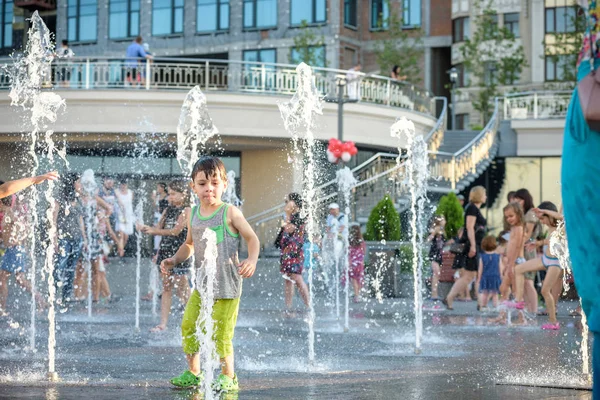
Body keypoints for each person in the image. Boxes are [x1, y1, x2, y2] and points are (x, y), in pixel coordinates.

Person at [161, 156, 259, 392]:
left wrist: (252, 259)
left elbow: (252, 238)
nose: (209, 189)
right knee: (189, 325)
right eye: (203, 183)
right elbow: (190, 244)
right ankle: (194, 372)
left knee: (221, 333)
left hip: (227, 286)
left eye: (215, 183)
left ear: (225, 184)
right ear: (193, 186)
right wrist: (175, 259)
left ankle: (229, 376)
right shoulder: (192, 213)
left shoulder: (229, 212)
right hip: (202, 285)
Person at [139, 181, 192, 332]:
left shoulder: (187, 210)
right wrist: (145, 228)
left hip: (180, 253)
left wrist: (154, 232)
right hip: (165, 251)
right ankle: (163, 324)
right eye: (169, 193)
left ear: (184, 194)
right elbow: (158, 228)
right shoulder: (168, 210)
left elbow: (176, 231)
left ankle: (195, 317)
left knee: (182, 287)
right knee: (167, 287)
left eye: (174, 194)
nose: (170, 197)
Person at [511, 202, 565, 330]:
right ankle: (519, 301)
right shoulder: (551, 228)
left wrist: (544, 211)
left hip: (555, 263)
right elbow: (550, 240)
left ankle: (553, 323)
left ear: (550, 216)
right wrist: (538, 243)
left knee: (545, 291)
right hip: (546, 259)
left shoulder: (562, 226)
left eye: (542, 218)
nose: (541, 221)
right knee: (518, 269)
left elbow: (561, 216)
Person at [0, 195, 46, 316]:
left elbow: (24, 227)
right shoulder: (7, 213)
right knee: (20, 280)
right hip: (12, 249)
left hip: (14, 250)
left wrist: (17, 240)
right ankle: (40, 299)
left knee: (4, 279)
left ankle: (2, 308)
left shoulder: (9, 212)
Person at [443, 186, 487, 310]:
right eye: (484, 194)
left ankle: (480, 303)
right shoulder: (472, 208)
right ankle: (449, 297)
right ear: (478, 195)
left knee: (475, 275)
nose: (486, 197)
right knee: (469, 276)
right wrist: (473, 246)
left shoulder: (473, 208)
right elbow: (470, 227)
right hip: (471, 246)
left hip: (475, 246)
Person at [53, 173, 85, 309]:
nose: (81, 185)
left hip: (77, 238)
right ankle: (53, 295)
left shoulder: (78, 199)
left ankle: (66, 297)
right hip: (63, 238)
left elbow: (80, 220)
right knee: (60, 266)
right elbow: (53, 219)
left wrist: (85, 238)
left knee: (71, 269)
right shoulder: (60, 198)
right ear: (72, 183)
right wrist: (54, 239)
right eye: (79, 182)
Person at [277, 193, 310, 316]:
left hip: (295, 252)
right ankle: (289, 308)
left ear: (294, 203)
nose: (286, 203)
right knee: (288, 279)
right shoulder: (288, 217)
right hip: (287, 252)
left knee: (297, 277)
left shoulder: (298, 216)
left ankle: (309, 306)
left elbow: (289, 229)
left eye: (288, 201)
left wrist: (287, 215)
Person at [492, 202, 526, 324]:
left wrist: (511, 265)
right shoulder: (513, 228)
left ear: (518, 214)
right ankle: (504, 315)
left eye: (511, 216)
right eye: (507, 217)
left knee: (514, 291)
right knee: (504, 289)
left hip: (516, 262)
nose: (509, 219)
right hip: (512, 262)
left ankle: (521, 319)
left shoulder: (519, 228)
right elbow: (510, 247)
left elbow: (517, 247)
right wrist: (508, 263)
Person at [513, 188, 541, 314]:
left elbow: (527, 235)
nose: (517, 202)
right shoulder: (526, 213)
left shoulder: (530, 214)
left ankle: (533, 311)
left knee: (528, 281)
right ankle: (528, 311)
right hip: (525, 249)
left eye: (519, 199)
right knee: (524, 282)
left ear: (525, 200)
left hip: (528, 249)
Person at [142, 182, 169, 302]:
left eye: (158, 187)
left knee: (158, 265)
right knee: (157, 266)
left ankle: (156, 291)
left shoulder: (168, 205)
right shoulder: (163, 205)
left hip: (161, 238)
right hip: (159, 237)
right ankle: (155, 291)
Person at [477, 235, 503, 311]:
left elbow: (480, 268)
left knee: (485, 293)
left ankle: (483, 306)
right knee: (495, 294)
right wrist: (501, 276)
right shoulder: (498, 256)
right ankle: (496, 307)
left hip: (485, 276)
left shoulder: (482, 256)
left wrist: (479, 278)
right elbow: (500, 268)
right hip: (495, 276)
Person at [427, 216, 446, 301]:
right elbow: (428, 240)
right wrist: (434, 233)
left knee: (437, 275)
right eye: (443, 219)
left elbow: (443, 243)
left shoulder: (443, 231)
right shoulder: (434, 229)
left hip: (439, 255)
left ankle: (435, 294)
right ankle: (433, 294)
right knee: (436, 273)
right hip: (434, 255)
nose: (445, 221)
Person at [347, 223, 366, 303]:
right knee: (359, 279)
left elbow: (348, 253)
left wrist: (348, 262)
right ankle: (357, 294)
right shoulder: (361, 242)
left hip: (352, 263)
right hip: (360, 263)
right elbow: (364, 252)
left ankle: (356, 295)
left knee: (354, 280)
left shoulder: (350, 242)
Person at [115, 180, 135, 257]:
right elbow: (119, 202)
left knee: (126, 236)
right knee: (120, 234)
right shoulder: (117, 192)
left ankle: (121, 249)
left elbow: (130, 204)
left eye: (125, 185)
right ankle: (120, 252)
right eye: (122, 185)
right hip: (120, 216)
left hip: (128, 216)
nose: (123, 186)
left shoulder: (130, 193)